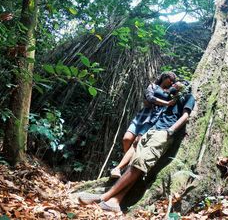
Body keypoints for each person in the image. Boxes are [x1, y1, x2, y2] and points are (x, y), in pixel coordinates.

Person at [79, 81, 195, 212]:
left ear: (185, 86)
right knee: (136, 165)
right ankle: (115, 201)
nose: (174, 84)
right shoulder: (171, 97)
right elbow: (151, 100)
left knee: (139, 163)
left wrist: (170, 131)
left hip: (163, 133)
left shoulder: (189, 97)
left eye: (177, 83)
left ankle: (103, 197)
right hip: (152, 130)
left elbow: (185, 116)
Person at [110, 71, 177, 178]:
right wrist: (166, 103)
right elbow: (149, 98)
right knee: (126, 139)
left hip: (154, 118)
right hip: (143, 115)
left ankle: (118, 168)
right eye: (171, 79)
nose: (172, 82)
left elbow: (174, 98)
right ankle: (128, 161)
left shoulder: (170, 92)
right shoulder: (153, 86)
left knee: (137, 143)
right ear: (165, 77)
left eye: (174, 81)